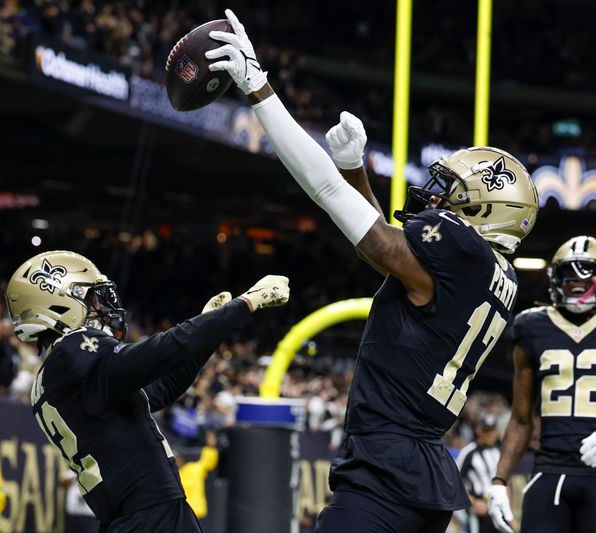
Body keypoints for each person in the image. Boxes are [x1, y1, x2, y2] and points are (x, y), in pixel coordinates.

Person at [200, 11, 539, 532]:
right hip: (415, 467)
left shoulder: (463, 254)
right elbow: (383, 250)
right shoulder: (494, 275)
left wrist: (258, 87)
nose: (438, 197)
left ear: (486, 210)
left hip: (387, 472)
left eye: (454, 192)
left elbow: (352, 217)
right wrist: (355, 167)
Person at [4, 250, 289, 532]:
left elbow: (161, 389)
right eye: (90, 298)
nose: (100, 306)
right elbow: (160, 351)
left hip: (134, 517)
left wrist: (209, 332)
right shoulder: (73, 353)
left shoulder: (59, 374)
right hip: (149, 514)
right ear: (58, 302)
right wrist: (244, 304)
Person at [486, 236, 596, 533]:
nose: (576, 281)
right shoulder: (532, 326)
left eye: (587, 271)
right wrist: (499, 480)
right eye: (568, 273)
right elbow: (521, 417)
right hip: (548, 470)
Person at [455, 414, 502, 533]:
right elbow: (455, 483)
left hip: (499, 508)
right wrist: (474, 503)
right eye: (487, 431)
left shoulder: (498, 451)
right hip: (480, 510)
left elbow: (506, 481)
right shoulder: (469, 453)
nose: (491, 434)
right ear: (479, 431)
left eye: (493, 430)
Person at [177, 431, 220, 520]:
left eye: (178, 458)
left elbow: (208, 462)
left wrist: (210, 447)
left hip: (196, 513)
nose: (176, 461)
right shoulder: (173, 475)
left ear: (181, 459)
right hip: (181, 515)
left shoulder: (194, 469)